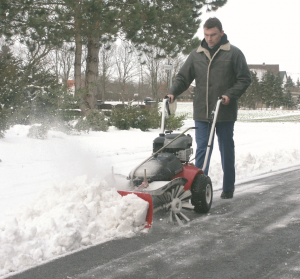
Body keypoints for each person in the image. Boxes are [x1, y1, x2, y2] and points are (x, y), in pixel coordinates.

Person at [167, 17, 251, 199]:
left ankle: (228, 187)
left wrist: (230, 94)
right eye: (206, 34)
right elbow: (183, 77)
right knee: (202, 150)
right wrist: (173, 92)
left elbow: (244, 79)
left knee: (226, 149)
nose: (210, 38)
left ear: (221, 33)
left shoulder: (234, 53)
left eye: (213, 35)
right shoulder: (196, 54)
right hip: (202, 112)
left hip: (224, 112)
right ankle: (198, 189)